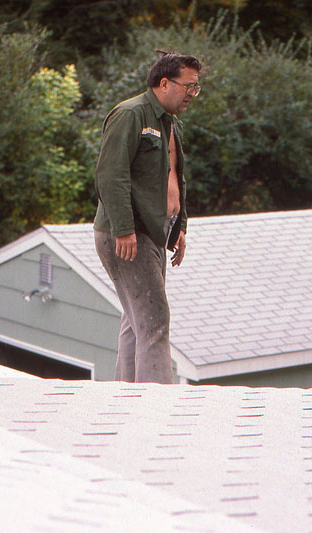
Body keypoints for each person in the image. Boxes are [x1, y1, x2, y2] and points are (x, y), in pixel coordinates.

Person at [93, 51, 203, 383]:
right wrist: (124, 230)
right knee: (155, 321)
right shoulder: (130, 115)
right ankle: (157, 409)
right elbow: (110, 176)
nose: (192, 95)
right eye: (189, 87)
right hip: (129, 232)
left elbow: (173, 180)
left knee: (137, 320)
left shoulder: (168, 122)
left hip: (156, 232)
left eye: (197, 88)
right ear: (164, 82)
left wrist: (178, 228)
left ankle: (125, 399)